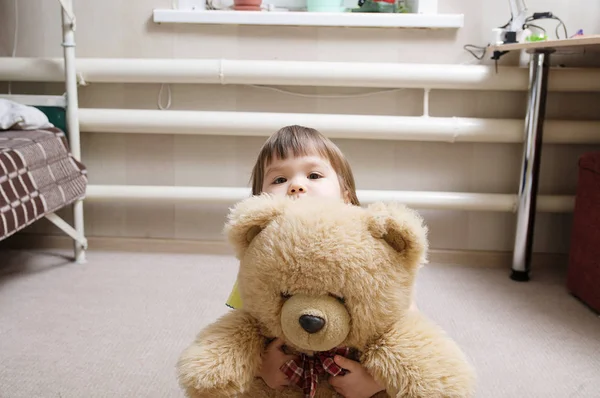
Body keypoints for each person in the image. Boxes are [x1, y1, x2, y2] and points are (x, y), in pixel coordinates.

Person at [225, 125, 387, 398]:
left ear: (345, 195)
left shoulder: (368, 249)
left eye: (313, 175)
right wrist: (260, 367)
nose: (296, 185)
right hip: (290, 376)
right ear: (260, 203)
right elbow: (246, 324)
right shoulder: (260, 259)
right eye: (279, 180)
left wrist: (375, 381)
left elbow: (402, 325)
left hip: (350, 375)